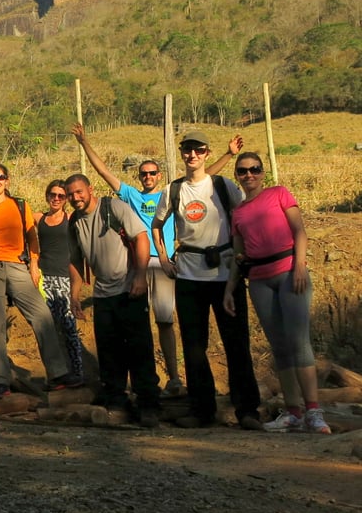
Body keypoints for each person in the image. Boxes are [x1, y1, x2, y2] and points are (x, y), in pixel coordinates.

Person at [72, 123, 243, 396]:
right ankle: (146, 385)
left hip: (168, 267)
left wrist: (228, 155)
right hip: (139, 265)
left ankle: (174, 378)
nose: (148, 176)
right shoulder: (133, 196)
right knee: (140, 327)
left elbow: (204, 176)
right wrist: (84, 143)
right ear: (139, 177)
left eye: (152, 172)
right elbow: (103, 171)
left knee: (165, 321)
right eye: (144, 173)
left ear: (159, 175)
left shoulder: (173, 191)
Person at [151, 130, 262, 430]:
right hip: (188, 276)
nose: (192, 155)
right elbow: (157, 225)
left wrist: (245, 255)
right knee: (194, 346)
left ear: (207, 153)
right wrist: (163, 258)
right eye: (187, 150)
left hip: (226, 275)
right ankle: (202, 410)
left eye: (198, 150)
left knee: (236, 343)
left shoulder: (223, 186)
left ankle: (247, 410)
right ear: (181, 153)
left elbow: (243, 217)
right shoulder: (173, 190)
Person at [224, 152, 331, 434]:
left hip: (289, 272)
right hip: (259, 280)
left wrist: (300, 266)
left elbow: (299, 231)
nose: (249, 175)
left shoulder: (279, 193)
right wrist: (229, 289)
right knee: (280, 346)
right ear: (237, 176)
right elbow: (238, 255)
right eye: (243, 171)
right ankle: (293, 412)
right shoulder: (238, 213)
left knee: (298, 341)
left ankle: (314, 412)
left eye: (254, 169)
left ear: (262, 172)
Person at [0, 161, 80, 398]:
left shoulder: (20, 205)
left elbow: (32, 238)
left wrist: (33, 265)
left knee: (42, 316)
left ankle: (57, 374)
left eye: (0, 177)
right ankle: (0, 380)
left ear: (7, 180)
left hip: (17, 265)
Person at [64, 173, 160, 428]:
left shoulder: (113, 207)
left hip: (130, 289)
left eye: (79, 192)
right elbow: (75, 260)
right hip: (103, 294)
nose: (75, 197)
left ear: (90, 189)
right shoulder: (74, 222)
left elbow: (141, 237)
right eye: (71, 194)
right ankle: (117, 403)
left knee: (139, 349)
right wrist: (74, 295)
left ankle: (148, 404)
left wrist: (140, 276)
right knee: (109, 352)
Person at [32, 180, 85, 381]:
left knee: (69, 327)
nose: (56, 199)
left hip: (64, 279)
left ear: (66, 199)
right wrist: (32, 264)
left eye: (61, 196)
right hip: (44, 279)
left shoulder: (71, 219)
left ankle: (77, 371)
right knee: (48, 328)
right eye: (52, 195)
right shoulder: (39, 218)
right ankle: (55, 374)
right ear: (47, 196)